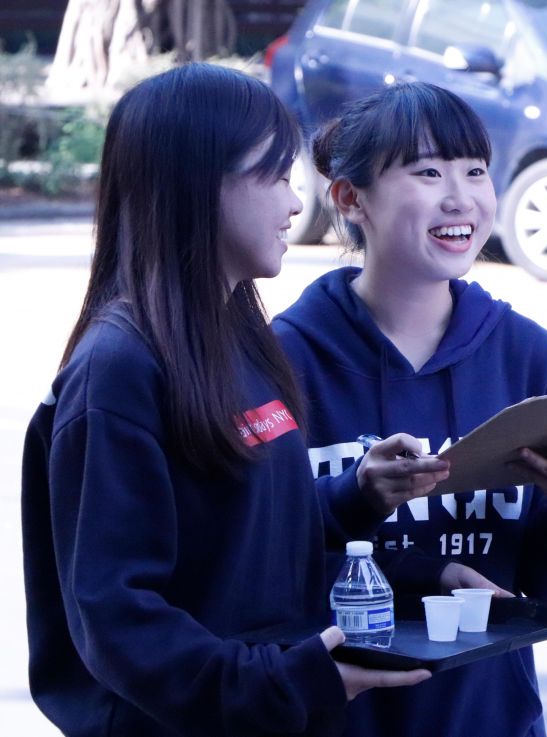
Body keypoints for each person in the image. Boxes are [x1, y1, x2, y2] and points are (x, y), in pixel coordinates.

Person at [20, 63, 434, 737]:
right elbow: (117, 617)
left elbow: (235, 538)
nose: (295, 205)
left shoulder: (239, 337)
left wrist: (357, 499)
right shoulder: (117, 370)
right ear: (195, 186)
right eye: (274, 177)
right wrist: (279, 684)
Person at [272, 81, 547, 737]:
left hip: (491, 718)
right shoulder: (281, 360)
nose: (460, 197)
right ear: (350, 198)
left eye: (475, 171)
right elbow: (257, 560)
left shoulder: (532, 359)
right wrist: (360, 503)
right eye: (428, 172)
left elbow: (543, 586)